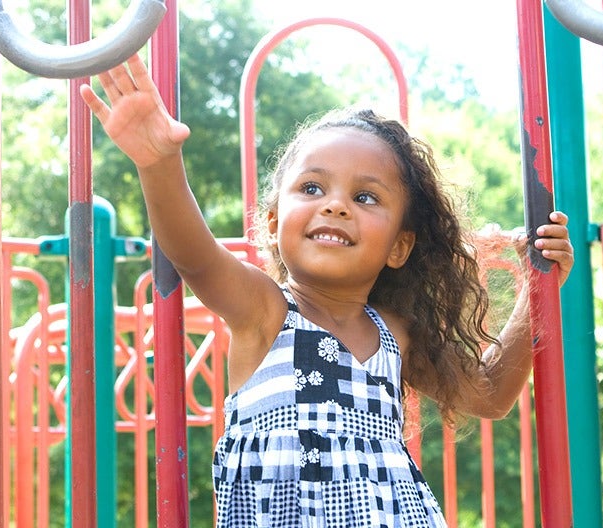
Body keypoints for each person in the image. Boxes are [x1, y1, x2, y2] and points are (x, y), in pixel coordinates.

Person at [81, 54, 574, 527]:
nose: (336, 206)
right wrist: (159, 163)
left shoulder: (393, 336)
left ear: (399, 246)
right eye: (312, 188)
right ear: (273, 224)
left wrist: (540, 291)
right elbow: (194, 256)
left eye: (365, 197)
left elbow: (488, 394)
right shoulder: (266, 312)